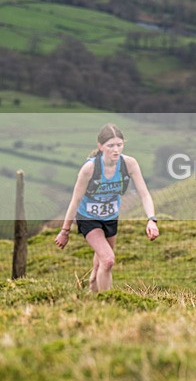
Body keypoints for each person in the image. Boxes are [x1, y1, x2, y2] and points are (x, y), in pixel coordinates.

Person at [55, 123, 159, 291]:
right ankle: (108, 301)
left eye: (119, 145)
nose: (116, 150)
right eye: (111, 145)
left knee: (99, 265)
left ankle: (92, 294)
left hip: (110, 218)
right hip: (88, 218)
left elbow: (144, 194)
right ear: (101, 146)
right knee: (108, 260)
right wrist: (65, 231)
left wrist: (151, 220)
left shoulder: (129, 164)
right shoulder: (90, 169)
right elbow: (75, 200)